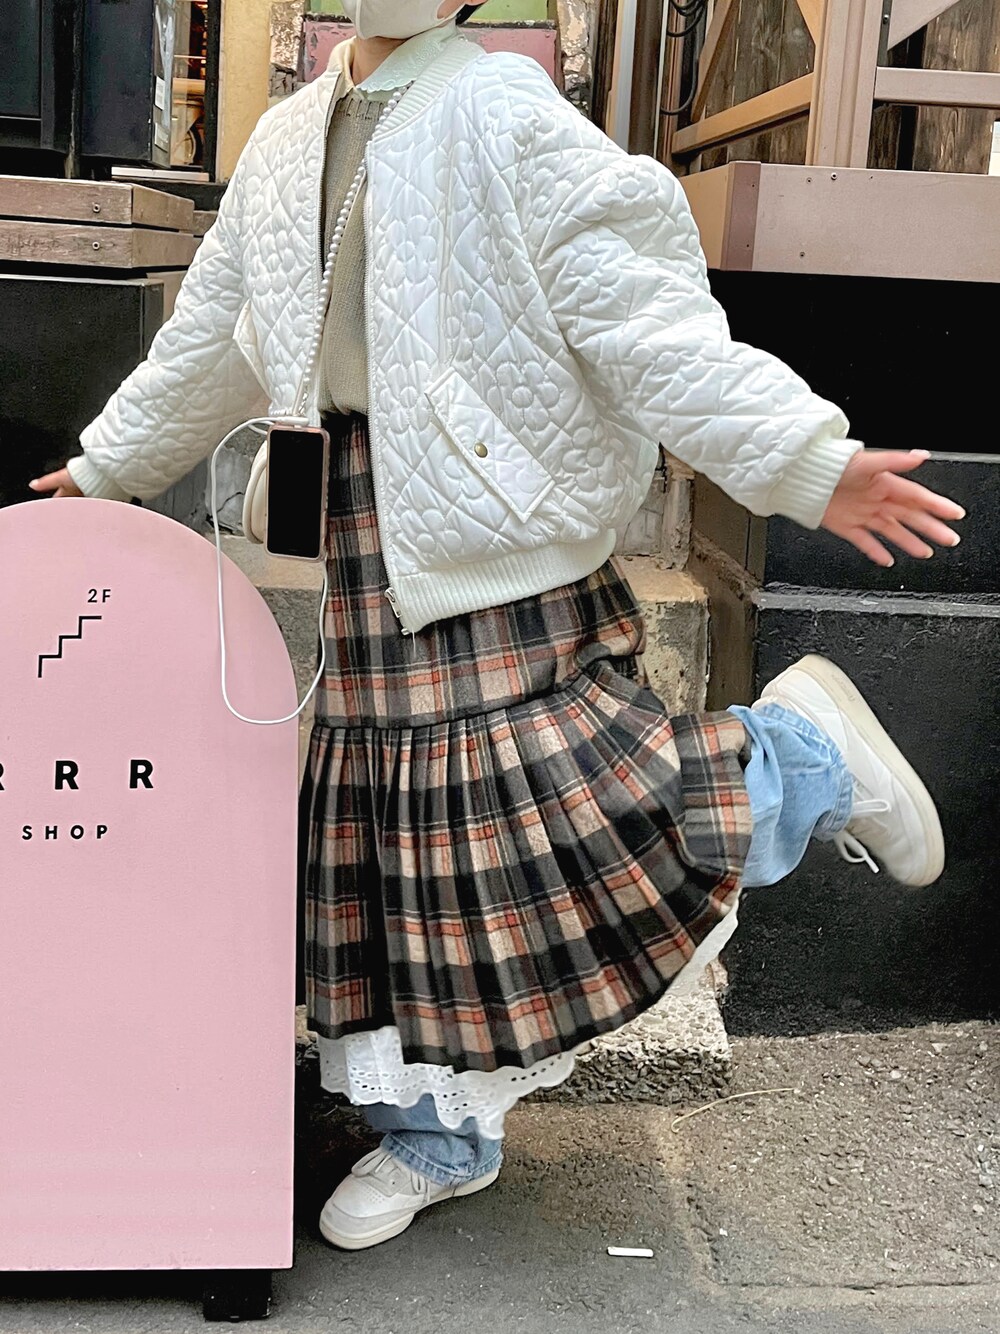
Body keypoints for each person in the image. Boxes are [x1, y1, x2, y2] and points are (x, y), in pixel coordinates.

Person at [30, 0, 962, 1252]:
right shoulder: (288, 133)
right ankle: (441, 1131)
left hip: (488, 521)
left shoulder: (508, 113)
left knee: (552, 812)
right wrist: (109, 467)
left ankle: (796, 759)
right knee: (395, 846)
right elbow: (216, 333)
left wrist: (800, 458)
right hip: (360, 517)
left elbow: (643, 319)